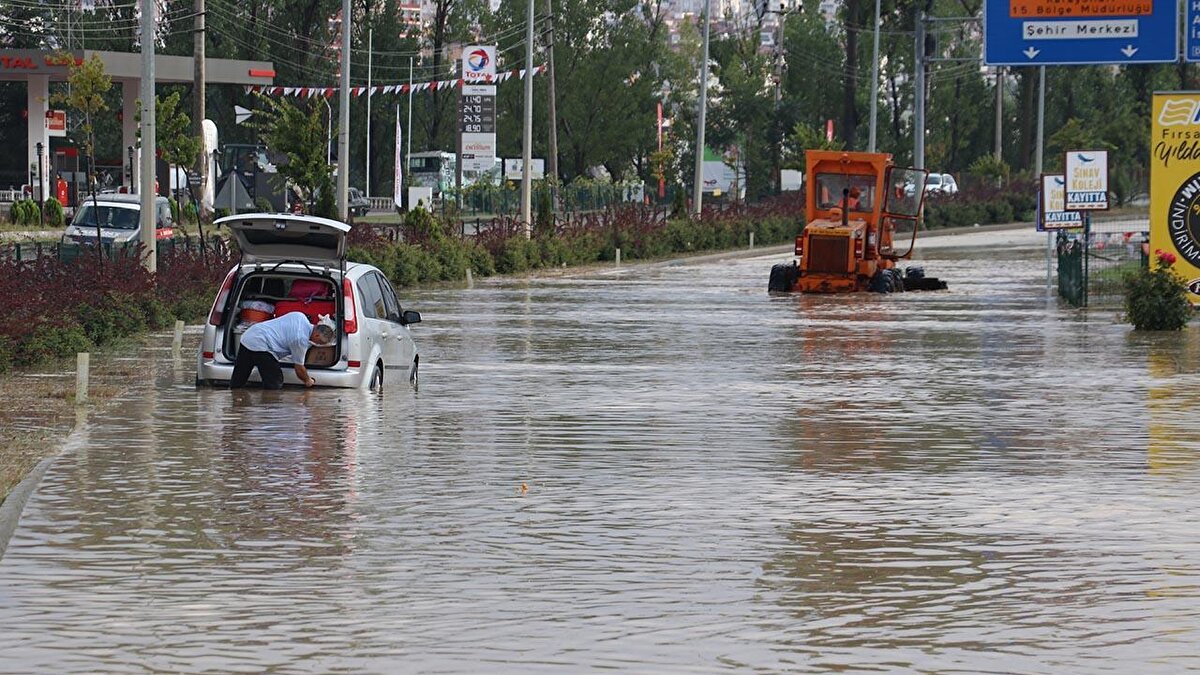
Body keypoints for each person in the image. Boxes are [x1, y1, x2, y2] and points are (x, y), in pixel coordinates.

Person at [231, 312, 336, 389]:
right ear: (317, 334)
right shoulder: (300, 340)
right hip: (263, 345)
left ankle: (234, 408)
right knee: (275, 382)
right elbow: (299, 369)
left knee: (238, 379)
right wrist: (308, 380)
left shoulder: (300, 316)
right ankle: (267, 411)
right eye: (319, 342)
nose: (317, 345)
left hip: (249, 335)